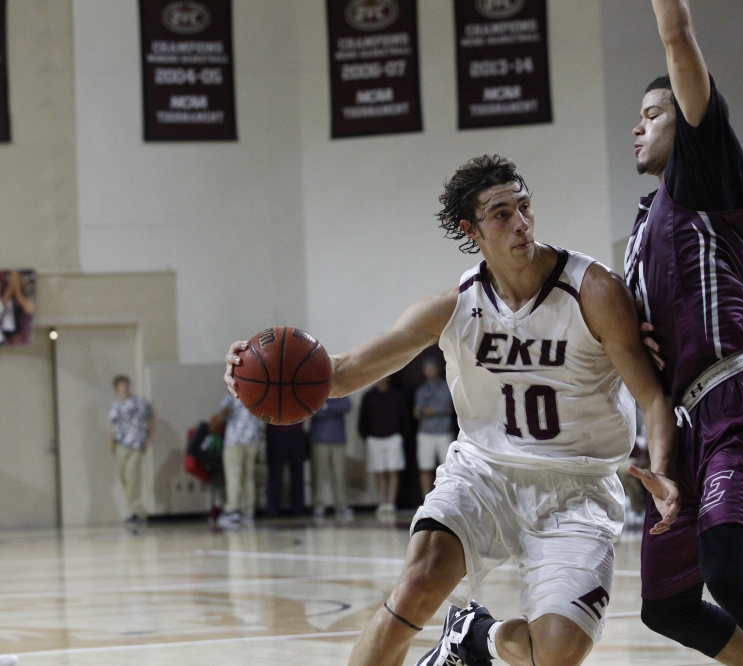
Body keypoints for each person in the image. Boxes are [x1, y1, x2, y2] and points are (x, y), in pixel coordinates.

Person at [224, 154, 677, 666]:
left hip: (578, 487)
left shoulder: (593, 290)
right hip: (484, 475)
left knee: (556, 654)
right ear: (471, 229)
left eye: (524, 206)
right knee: (414, 589)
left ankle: (475, 638)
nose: (521, 223)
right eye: (501, 214)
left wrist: (661, 471)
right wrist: (248, 374)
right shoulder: (455, 307)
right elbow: (342, 374)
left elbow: (652, 397)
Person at [622, 1, 743, 663]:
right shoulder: (643, 227)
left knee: (728, 573)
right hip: (683, 426)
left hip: (737, 400)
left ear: (687, 118)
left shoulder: (705, 177)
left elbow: (678, 37)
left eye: (654, 114)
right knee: (665, 605)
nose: (637, 126)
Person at [358, 376, 410, 516]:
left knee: (393, 470)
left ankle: (391, 502)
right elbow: (363, 419)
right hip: (374, 438)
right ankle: (382, 502)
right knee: (380, 472)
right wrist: (367, 436)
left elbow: (404, 417)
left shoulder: (397, 395)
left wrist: (400, 434)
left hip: (393, 437)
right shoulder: (369, 396)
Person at [108, 374, 154, 527]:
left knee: (132, 477)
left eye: (126, 384)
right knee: (124, 478)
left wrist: (149, 439)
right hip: (120, 445)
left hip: (136, 444)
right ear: (116, 388)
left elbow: (151, 420)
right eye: (121, 385)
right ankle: (134, 510)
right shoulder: (115, 406)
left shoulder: (140, 403)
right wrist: (111, 446)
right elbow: (113, 427)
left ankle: (137, 512)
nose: (124, 387)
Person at [215, 393, 265, 528]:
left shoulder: (232, 395)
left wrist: (212, 425)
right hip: (252, 441)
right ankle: (247, 512)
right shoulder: (256, 395)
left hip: (234, 440)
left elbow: (224, 414)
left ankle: (232, 510)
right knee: (248, 478)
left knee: (233, 477)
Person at [413, 358, 455, 499]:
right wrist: (438, 410)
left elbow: (448, 407)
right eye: (427, 368)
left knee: (447, 469)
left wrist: (428, 410)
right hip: (425, 433)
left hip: (444, 432)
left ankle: (447, 497)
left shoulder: (446, 387)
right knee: (425, 468)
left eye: (432, 367)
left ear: (438, 368)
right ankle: (427, 499)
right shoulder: (421, 389)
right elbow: (417, 411)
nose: (429, 371)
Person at [310, 396, 353, 520]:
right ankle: (318, 506)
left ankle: (341, 505)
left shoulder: (340, 391)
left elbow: (346, 406)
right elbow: (314, 412)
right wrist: (335, 409)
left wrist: (326, 407)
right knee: (319, 474)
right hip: (319, 439)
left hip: (338, 439)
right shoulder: (316, 392)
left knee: (339, 474)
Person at [265, 422, 309, 517]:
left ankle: (298, 508)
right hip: (275, 432)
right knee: (275, 472)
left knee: (297, 472)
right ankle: (273, 509)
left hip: (296, 432)